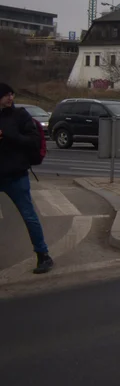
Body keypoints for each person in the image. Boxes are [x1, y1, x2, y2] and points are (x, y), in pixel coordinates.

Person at [0, 82, 52, 274]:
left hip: (16, 175)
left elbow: (32, 141)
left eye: (11, 94)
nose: (10, 98)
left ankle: (43, 255)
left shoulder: (20, 115)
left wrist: (7, 136)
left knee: (29, 217)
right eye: (6, 95)